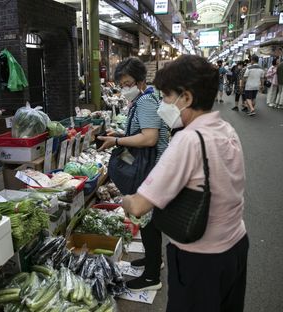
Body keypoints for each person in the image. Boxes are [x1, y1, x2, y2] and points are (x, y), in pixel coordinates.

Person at [122, 55, 248, 312]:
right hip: (235, 246)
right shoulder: (225, 128)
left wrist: (123, 199)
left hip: (202, 258)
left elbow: (138, 206)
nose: (163, 105)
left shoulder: (188, 140)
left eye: (167, 97)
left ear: (187, 98)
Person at [97, 57, 169, 291]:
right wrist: (118, 132)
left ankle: (151, 277)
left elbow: (149, 138)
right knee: (150, 219)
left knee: (146, 219)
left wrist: (116, 139)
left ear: (140, 82)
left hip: (150, 168)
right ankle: (153, 260)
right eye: (122, 83)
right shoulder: (143, 99)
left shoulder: (146, 101)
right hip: (150, 165)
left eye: (128, 83)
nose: (124, 88)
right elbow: (142, 131)